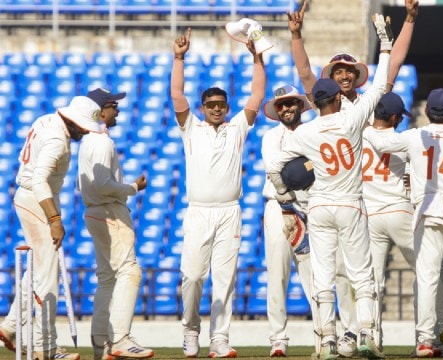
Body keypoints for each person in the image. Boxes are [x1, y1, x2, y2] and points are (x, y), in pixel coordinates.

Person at [287, 1, 420, 355]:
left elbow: (391, 67)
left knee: (360, 275)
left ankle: (363, 334)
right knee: (349, 275)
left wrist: (408, 21)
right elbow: (304, 75)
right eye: (339, 71)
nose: (344, 75)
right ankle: (349, 332)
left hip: (367, 198)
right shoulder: (331, 106)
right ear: (331, 78)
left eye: (349, 70)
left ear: (356, 75)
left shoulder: (364, 104)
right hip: (349, 199)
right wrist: (297, 36)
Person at [266, 15, 392, 358]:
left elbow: (275, 165)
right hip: (350, 204)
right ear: (336, 96)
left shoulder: (303, 133)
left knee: (321, 275)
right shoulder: (351, 118)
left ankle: (326, 341)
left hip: (318, 206)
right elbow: (380, 85)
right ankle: (366, 335)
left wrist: (283, 194)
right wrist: (385, 43)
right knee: (359, 273)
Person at [364, 89, 443, 358]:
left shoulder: (413, 136)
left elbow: (383, 144)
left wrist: (362, 126)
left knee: (426, 277)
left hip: (426, 208)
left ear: (426, 112)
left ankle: (424, 341)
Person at [171, 27, 266, 358]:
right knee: (193, 276)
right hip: (198, 211)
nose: (216, 109)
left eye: (220, 105)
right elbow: (176, 95)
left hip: (229, 212)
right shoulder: (191, 128)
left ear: (226, 107)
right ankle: (190, 329)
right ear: (203, 106)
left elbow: (257, 95)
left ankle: (220, 339)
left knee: (225, 279)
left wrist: (257, 58)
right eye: (210, 104)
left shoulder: (236, 127)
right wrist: (179, 58)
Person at [0, 96, 102, 360]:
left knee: (36, 270)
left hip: (33, 196)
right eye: (84, 128)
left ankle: (11, 326)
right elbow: (39, 179)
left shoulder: (46, 120)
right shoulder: (58, 140)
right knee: (47, 276)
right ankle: (44, 346)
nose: (84, 133)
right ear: (74, 122)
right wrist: (54, 220)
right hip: (37, 198)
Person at [79, 88, 154, 360]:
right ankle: (120, 337)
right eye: (113, 106)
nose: (118, 111)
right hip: (109, 211)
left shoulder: (90, 141)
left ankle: (101, 343)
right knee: (129, 271)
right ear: (100, 111)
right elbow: (101, 184)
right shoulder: (101, 142)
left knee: (107, 279)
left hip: (95, 212)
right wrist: (133, 187)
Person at [260, 85, 315, 357]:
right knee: (277, 274)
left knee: (314, 275)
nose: (285, 109)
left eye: (290, 103)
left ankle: (323, 333)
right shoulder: (270, 136)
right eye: (280, 105)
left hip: (311, 207)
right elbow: (279, 171)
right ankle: (278, 339)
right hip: (278, 206)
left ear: (300, 105)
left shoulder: (314, 131)